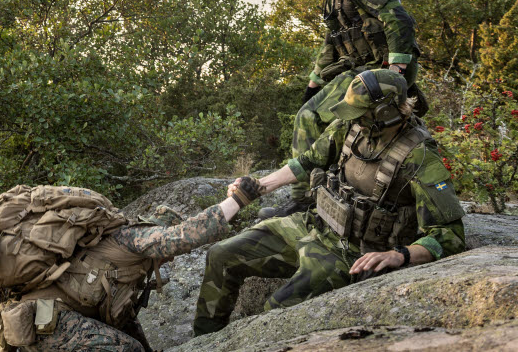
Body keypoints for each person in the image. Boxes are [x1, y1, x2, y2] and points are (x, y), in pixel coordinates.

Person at [194, 69, 465, 336]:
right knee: (221, 255)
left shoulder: (420, 157)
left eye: (360, 114)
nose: (354, 120)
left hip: (350, 253)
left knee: (274, 312)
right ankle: (203, 343)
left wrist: (398, 255)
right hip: (314, 224)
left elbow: (449, 236)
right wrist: (258, 187)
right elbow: (308, 160)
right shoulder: (352, 125)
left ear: (385, 112)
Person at [261, 0, 425, 219]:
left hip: (380, 68)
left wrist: (396, 71)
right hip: (361, 69)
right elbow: (333, 40)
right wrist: (314, 82)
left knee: (308, 118)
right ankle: (329, 188)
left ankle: (304, 199)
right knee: (323, 118)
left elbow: (398, 18)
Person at [0, 187, 256, 352]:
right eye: (167, 252)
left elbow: (126, 321)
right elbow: (188, 235)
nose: (171, 258)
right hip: (43, 323)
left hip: (50, 319)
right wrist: (238, 199)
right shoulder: (131, 240)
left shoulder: (126, 267)